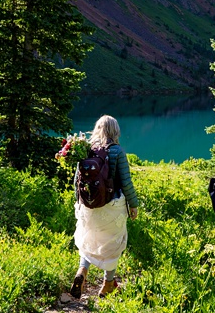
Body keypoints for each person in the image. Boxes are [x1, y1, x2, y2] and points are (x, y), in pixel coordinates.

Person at [70, 115, 140, 298]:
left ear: (97, 129)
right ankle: (108, 283)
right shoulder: (117, 151)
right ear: (115, 131)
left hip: (88, 206)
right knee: (113, 244)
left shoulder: (87, 149)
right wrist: (134, 205)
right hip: (112, 206)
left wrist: (80, 202)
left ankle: (82, 272)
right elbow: (126, 182)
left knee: (89, 239)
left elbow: (76, 180)